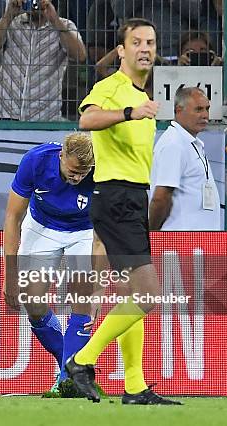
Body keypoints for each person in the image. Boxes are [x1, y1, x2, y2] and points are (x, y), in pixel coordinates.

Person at [64, 18, 181, 405]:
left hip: (131, 199)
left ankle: (135, 387)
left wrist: (137, 108)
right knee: (148, 295)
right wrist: (129, 112)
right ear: (121, 50)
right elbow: (86, 119)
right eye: (136, 42)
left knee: (133, 294)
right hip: (115, 198)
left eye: (150, 41)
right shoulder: (112, 88)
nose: (145, 48)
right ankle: (82, 360)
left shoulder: (140, 92)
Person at [3, 133, 96, 395]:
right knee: (32, 302)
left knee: (84, 300)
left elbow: (108, 226)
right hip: (42, 227)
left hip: (86, 231)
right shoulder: (35, 161)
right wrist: (11, 275)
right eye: (73, 171)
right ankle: (68, 362)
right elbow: (12, 217)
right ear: (61, 156)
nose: (78, 178)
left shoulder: (102, 170)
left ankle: (69, 379)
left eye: (83, 173)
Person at [0, 0, 86, 121]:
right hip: (5, 113)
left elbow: (80, 56)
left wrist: (55, 21)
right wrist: (8, 16)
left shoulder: (64, 25)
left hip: (44, 116)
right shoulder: (13, 22)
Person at [149, 87, 221, 231]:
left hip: (196, 242)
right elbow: (160, 197)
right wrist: (152, 234)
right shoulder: (174, 144)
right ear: (178, 110)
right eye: (198, 109)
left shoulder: (188, 142)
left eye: (207, 108)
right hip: (180, 242)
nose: (205, 115)